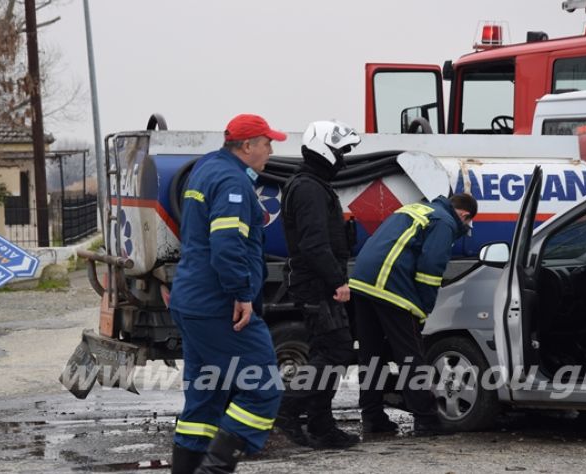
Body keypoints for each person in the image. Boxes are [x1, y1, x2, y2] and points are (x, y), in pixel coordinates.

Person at [169, 114, 286, 474]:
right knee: (263, 388)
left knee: (205, 400)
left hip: (193, 301)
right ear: (247, 146)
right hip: (219, 305)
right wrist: (241, 293)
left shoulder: (206, 169)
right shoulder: (231, 181)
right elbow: (226, 243)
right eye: (267, 143)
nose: (271, 150)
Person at [349, 193, 478, 436]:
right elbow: (431, 267)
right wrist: (424, 308)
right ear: (464, 215)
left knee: (371, 354)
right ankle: (427, 420)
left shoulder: (416, 208)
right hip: (390, 286)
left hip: (363, 282)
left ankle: (372, 416)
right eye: (467, 224)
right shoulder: (445, 222)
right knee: (410, 355)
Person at [275, 120, 361, 449]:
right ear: (324, 149)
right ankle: (286, 408)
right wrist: (337, 281)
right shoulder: (309, 188)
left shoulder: (311, 184)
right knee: (337, 351)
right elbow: (313, 245)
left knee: (327, 352)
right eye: (340, 151)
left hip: (316, 283)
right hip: (318, 286)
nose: (342, 159)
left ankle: (321, 428)